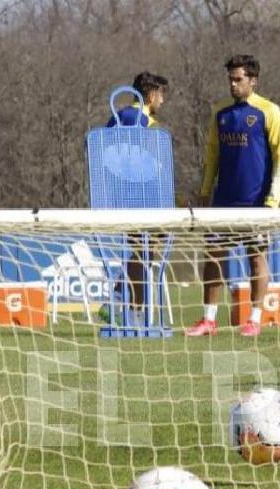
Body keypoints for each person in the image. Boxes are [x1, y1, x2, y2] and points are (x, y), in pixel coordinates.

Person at [185, 55, 280, 337]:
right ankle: (209, 319)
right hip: (223, 202)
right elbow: (212, 155)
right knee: (215, 256)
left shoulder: (269, 111)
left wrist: (272, 200)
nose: (233, 84)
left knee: (256, 257)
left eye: (238, 79)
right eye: (230, 79)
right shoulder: (220, 112)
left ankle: (254, 318)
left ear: (252, 81)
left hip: (256, 203)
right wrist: (206, 192)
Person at [103, 71, 169, 327]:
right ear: (151, 94)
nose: (162, 101)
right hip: (144, 199)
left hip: (118, 196)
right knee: (145, 252)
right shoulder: (147, 124)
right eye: (161, 95)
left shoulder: (115, 118)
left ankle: (121, 299)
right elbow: (156, 168)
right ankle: (130, 307)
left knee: (140, 251)